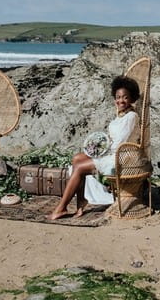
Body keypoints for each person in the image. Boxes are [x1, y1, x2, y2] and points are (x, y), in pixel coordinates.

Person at [47, 75, 141, 220]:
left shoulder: (131, 117)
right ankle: (81, 201)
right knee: (77, 158)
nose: (120, 100)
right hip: (113, 152)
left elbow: (119, 142)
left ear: (132, 98)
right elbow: (113, 139)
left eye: (125, 97)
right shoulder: (121, 116)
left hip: (121, 157)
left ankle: (61, 208)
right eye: (118, 97)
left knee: (79, 168)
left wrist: (100, 152)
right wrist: (97, 146)